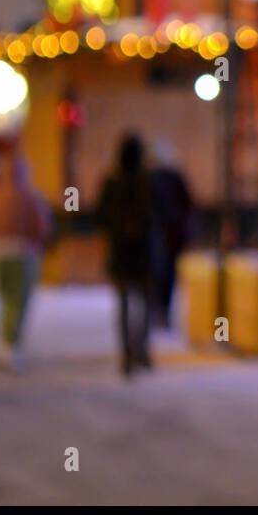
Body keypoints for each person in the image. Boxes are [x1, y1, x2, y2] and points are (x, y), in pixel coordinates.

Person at [0, 152, 52, 369]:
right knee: (18, 302)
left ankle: (4, 344)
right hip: (23, 253)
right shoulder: (30, 197)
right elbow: (42, 227)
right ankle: (9, 345)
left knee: (6, 300)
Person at [97, 134, 158, 377]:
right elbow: (158, 215)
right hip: (144, 253)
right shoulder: (148, 182)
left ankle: (126, 354)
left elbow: (101, 216)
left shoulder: (111, 183)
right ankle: (141, 350)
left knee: (123, 305)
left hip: (120, 252)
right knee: (144, 304)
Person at [148, 139, 193, 330]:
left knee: (156, 276)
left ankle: (156, 312)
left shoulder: (148, 178)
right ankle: (163, 312)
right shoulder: (175, 178)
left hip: (157, 238)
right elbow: (188, 205)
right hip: (172, 236)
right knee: (168, 276)